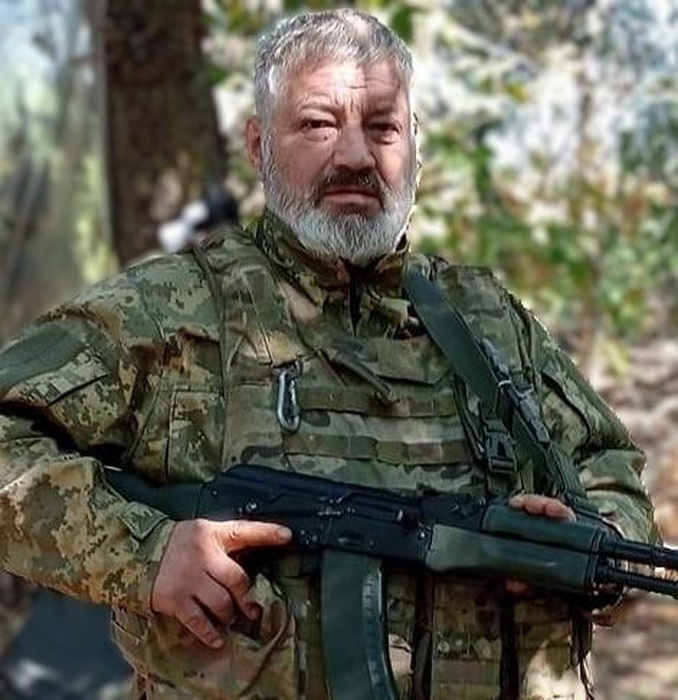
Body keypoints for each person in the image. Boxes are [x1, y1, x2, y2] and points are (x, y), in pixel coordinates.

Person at [0, 8, 660, 700]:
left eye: (382, 127)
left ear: (415, 146)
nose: (354, 157)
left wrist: (587, 537)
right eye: (318, 125)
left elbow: (607, 463)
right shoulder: (169, 312)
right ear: (258, 145)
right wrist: (143, 553)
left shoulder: (487, 319)